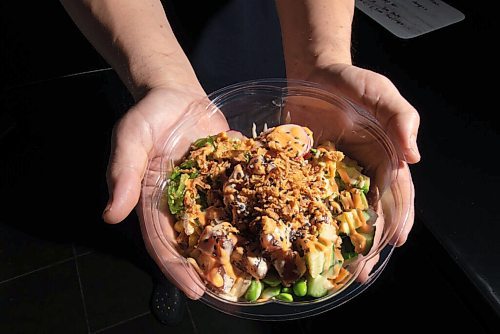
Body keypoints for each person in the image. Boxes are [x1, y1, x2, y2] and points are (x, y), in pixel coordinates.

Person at [60, 0, 420, 325]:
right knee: (146, 208)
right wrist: (161, 80)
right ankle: (160, 272)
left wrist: (320, 60)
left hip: (265, 22)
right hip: (129, 32)